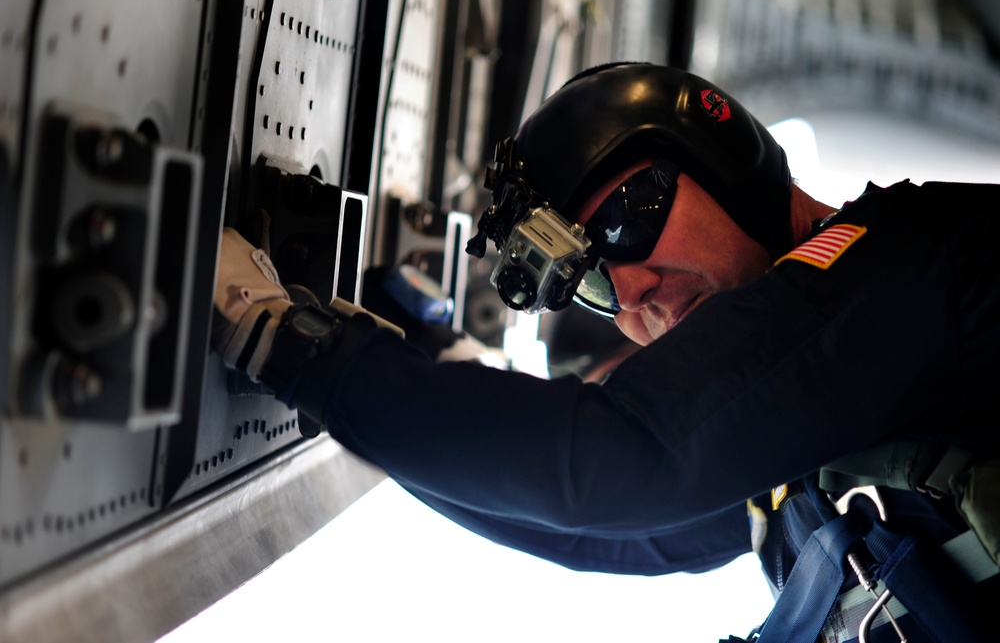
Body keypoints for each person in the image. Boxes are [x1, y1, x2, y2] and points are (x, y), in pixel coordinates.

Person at [213, 63, 999, 642]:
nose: (633, 292)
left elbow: (620, 462)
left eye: (627, 220)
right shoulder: (805, 433)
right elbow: (600, 531)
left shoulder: (916, 262)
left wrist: (287, 343)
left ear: (722, 159)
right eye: (590, 281)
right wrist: (421, 370)